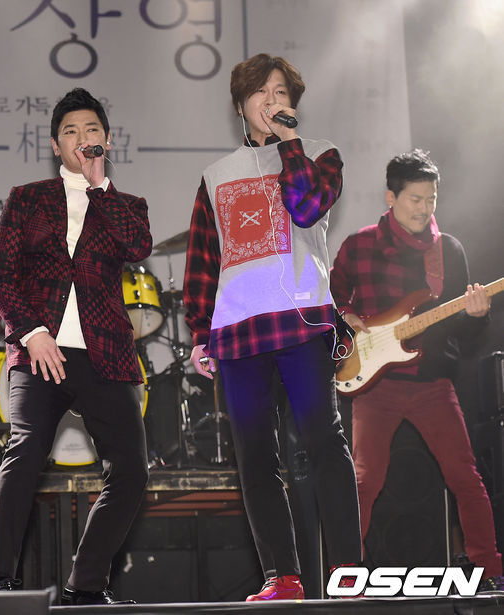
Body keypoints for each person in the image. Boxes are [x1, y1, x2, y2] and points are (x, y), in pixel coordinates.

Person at [183, 53, 362, 601]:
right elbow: (203, 258)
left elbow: (305, 208)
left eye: (280, 91)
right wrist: (199, 331)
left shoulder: (320, 154)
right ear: (240, 104)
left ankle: (349, 573)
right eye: (259, 91)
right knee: (255, 455)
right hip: (239, 331)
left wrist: (289, 144)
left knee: (323, 440)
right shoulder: (216, 176)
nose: (270, 100)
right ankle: (281, 577)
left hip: (302, 321)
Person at [0, 88, 153, 605]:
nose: (82, 138)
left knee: (131, 472)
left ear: (106, 140)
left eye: (91, 130)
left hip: (105, 353)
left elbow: (137, 246)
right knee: (25, 450)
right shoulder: (27, 198)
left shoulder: (126, 205)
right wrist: (32, 332)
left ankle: (86, 585)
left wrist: (100, 188)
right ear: (56, 145)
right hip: (40, 351)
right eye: (70, 132)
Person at [330, 149, 503, 591]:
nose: (425, 209)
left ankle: (491, 571)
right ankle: (343, 576)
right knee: (364, 480)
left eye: (431, 199)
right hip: (376, 385)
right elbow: (329, 296)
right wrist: (345, 316)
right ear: (391, 197)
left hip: (432, 384)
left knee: (465, 476)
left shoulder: (449, 251)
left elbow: (464, 335)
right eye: (415, 199)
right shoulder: (358, 245)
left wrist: (477, 316)